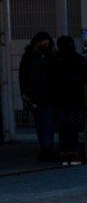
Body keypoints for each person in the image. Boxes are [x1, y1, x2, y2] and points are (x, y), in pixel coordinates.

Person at [49, 36, 87, 166]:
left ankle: (64, 154)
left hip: (61, 100)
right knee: (74, 129)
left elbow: (49, 79)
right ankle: (74, 154)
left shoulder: (55, 60)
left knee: (63, 129)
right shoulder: (78, 59)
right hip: (76, 99)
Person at [19, 32, 56, 161]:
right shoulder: (47, 56)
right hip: (39, 95)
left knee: (44, 122)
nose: (46, 45)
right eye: (44, 43)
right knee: (44, 122)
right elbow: (24, 77)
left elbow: (23, 77)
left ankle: (46, 148)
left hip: (43, 94)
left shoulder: (30, 57)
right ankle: (46, 148)